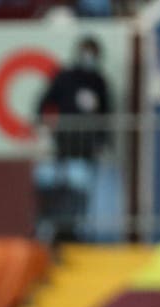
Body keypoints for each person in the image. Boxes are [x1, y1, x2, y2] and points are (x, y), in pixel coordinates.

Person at [34, 36, 112, 242]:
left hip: (87, 149)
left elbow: (107, 112)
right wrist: (44, 127)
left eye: (92, 53)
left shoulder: (99, 81)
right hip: (65, 146)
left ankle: (75, 231)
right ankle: (57, 230)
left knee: (82, 191)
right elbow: (44, 102)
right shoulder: (65, 77)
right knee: (59, 189)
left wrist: (104, 141)